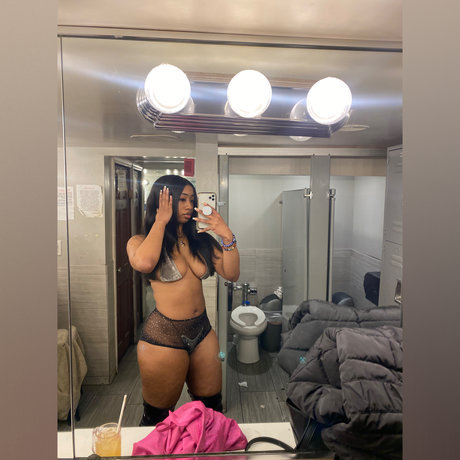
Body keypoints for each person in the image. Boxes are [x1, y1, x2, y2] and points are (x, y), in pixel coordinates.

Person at [127, 175, 239, 426]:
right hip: (164, 336)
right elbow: (144, 263)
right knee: (157, 419)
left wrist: (226, 235)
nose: (189, 206)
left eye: (192, 200)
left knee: (212, 410)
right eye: (182, 200)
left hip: (202, 331)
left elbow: (232, 274)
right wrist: (161, 221)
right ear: (161, 201)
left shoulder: (201, 240)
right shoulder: (139, 241)